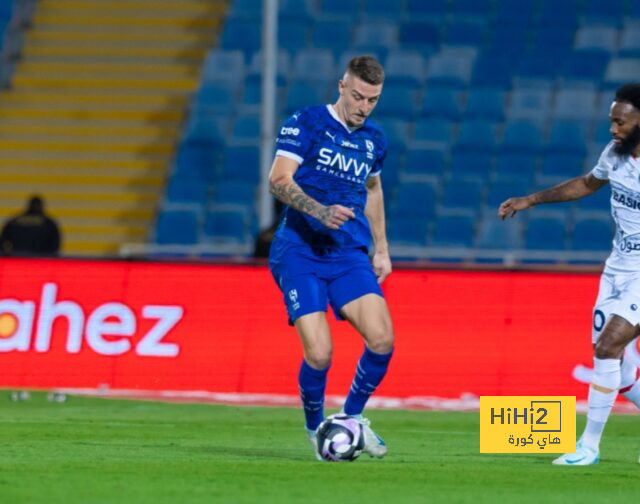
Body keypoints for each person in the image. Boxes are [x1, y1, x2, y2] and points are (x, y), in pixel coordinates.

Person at [498, 83, 640, 466]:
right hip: (617, 270)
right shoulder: (615, 155)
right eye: (612, 120)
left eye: (620, 122)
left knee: (608, 346)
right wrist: (531, 199)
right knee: (622, 371)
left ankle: (587, 447)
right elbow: (586, 184)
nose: (613, 128)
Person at [268, 55, 394, 460]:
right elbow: (278, 180)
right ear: (342, 86)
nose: (363, 107)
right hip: (300, 250)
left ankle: (350, 421)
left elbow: (373, 189)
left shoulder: (374, 139)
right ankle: (315, 427)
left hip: (347, 254)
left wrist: (382, 247)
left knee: (381, 338)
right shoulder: (305, 123)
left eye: (372, 100)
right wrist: (320, 212)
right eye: (358, 96)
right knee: (320, 353)